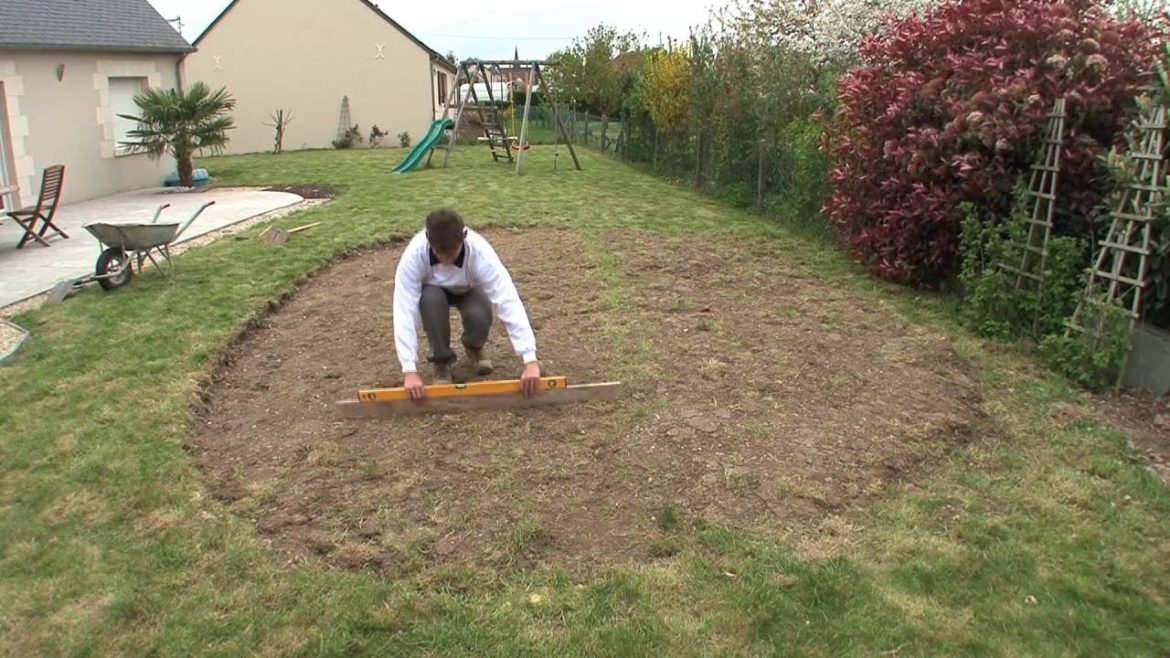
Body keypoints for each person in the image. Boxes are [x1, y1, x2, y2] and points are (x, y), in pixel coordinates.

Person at [392, 209, 542, 401]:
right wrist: (409, 370)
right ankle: (441, 362)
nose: (446, 260)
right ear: (428, 239)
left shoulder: (481, 253)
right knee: (430, 301)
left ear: (464, 237)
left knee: (479, 314)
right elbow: (404, 308)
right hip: (433, 291)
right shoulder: (414, 255)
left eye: (452, 253)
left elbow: (507, 299)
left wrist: (530, 359)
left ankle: (474, 347)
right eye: (440, 253)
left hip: (469, 289)